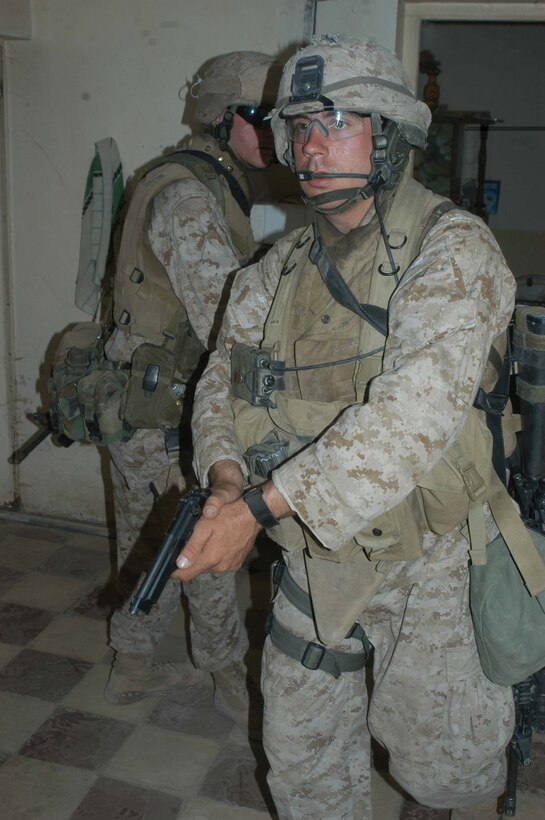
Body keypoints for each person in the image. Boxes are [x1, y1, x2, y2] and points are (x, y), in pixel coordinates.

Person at [172, 35, 517, 819]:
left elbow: (411, 417)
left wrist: (255, 509)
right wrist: (225, 479)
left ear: (388, 135)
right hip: (312, 556)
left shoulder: (452, 249)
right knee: (303, 767)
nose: (312, 146)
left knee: (442, 772)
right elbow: (221, 380)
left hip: (428, 560)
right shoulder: (278, 264)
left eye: (337, 122)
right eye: (300, 127)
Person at [103, 50, 281, 735]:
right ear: (222, 117)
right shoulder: (191, 196)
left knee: (143, 533)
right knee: (204, 544)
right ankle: (224, 670)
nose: (273, 131)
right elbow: (222, 320)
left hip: (139, 400)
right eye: (259, 116)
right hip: (166, 408)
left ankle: (131, 657)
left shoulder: (182, 177)